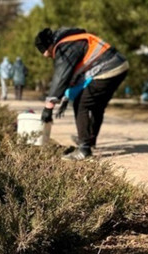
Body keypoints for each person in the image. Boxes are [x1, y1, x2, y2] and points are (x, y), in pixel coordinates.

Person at [34, 27, 129, 161]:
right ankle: (89, 140)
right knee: (97, 105)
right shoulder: (73, 40)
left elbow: (61, 77)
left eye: (49, 55)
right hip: (119, 65)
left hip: (107, 68)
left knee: (81, 103)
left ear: (49, 47)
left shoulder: (64, 48)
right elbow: (74, 76)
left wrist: (48, 107)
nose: (52, 57)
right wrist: (66, 97)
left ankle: (84, 148)